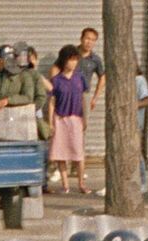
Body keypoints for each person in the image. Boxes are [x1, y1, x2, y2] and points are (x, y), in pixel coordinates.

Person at [47, 47, 88, 195]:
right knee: (61, 153)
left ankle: (81, 183)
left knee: (78, 153)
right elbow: (52, 101)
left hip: (76, 117)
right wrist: (51, 122)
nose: (74, 62)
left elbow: (83, 98)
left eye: (76, 59)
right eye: (71, 59)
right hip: (60, 118)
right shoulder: (56, 80)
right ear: (64, 60)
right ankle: (65, 185)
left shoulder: (80, 77)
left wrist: (85, 118)